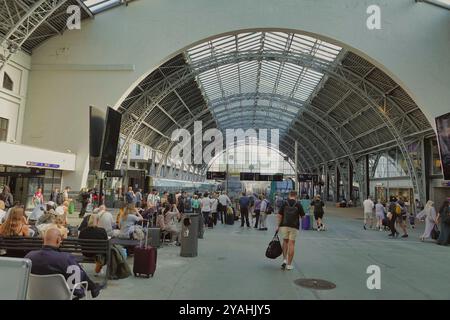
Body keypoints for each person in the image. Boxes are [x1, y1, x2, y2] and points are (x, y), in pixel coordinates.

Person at [25, 228, 103, 299]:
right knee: (77, 270)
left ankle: (93, 287)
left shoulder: (29, 257)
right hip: (60, 297)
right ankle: (93, 287)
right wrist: (79, 293)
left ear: (43, 240)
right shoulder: (65, 258)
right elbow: (76, 283)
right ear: (58, 240)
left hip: (34, 296)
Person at [276, 191, 305, 271]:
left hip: (284, 225)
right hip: (294, 226)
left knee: (285, 242)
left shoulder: (284, 203)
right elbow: (303, 217)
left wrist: (278, 226)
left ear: (289, 195)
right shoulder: (298, 204)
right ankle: (289, 265)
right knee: (291, 244)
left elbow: (279, 215)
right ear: (296, 196)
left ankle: (284, 260)